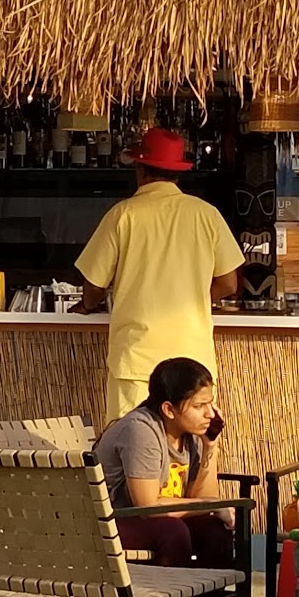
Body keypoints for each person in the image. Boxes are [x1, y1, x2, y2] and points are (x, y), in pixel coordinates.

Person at [75, 127, 244, 421]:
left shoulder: (123, 214)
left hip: (136, 360)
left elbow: (94, 284)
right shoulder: (206, 214)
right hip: (193, 361)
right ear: (177, 173)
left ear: (140, 170)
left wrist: (89, 305)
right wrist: (193, 298)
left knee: (131, 443)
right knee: (189, 445)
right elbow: (229, 283)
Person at [95, 357, 237, 597]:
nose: (210, 413)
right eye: (199, 406)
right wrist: (208, 504)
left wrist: (210, 448)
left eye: (210, 403)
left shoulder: (191, 434)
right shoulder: (141, 430)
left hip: (150, 520)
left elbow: (203, 496)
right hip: (111, 521)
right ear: (169, 409)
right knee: (173, 532)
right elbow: (147, 505)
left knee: (215, 532)